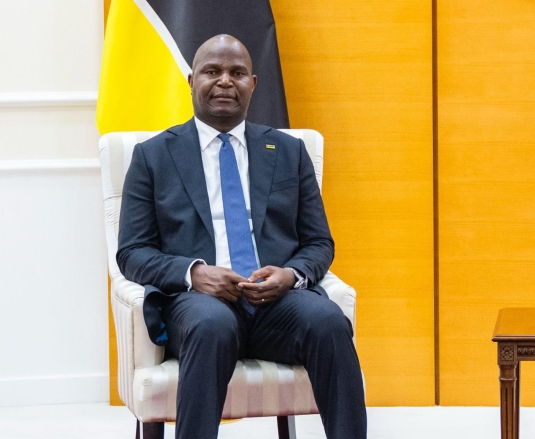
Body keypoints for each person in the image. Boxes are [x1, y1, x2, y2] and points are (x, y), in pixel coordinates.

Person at [117, 34, 366, 439]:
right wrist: (194, 274)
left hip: (277, 305)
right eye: (211, 71)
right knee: (211, 324)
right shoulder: (153, 156)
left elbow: (319, 242)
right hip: (197, 306)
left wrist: (290, 275)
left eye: (236, 73)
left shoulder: (288, 151)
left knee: (329, 321)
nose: (224, 81)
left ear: (253, 83)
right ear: (191, 80)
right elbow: (132, 252)